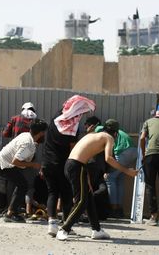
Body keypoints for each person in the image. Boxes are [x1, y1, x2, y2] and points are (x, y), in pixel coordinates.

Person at [55, 119, 138, 241]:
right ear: (115, 133)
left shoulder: (94, 135)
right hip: (77, 166)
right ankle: (64, 229)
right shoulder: (108, 138)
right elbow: (108, 158)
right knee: (82, 201)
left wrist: (87, 178)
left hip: (72, 165)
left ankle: (97, 230)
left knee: (89, 199)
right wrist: (127, 171)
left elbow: (89, 158)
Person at [42, 95, 95, 236]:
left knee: (52, 192)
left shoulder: (55, 119)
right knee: (66, 194)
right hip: (62, 164)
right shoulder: (71, 126)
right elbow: (74, 149)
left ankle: (52, 224)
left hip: (47, 163)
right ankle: (67, 225)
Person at [0, 119, 48, 223]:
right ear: (41, 133)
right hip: (4, 165)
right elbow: (16, 161)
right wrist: (34, 165)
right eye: (44, 133)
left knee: (21, 184)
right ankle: (11, 213)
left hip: (2, 162)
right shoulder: (28, 144)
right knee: (23, 185)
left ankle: (11, 211)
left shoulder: (26, 135)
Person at [2, 102, 39, 218]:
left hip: (14, 155)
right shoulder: (35, 121)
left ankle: (9, 207)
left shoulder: (14, 119)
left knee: (12, 183)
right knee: (27, 182)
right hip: (28, 156)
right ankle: (23, 208)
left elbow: (5, 134)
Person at [95, 124, 137, 218]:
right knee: (119, 180)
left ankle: (114, 209)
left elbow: (109, 154)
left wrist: (107, 170)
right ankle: (119, 209)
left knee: (110, 178)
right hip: (133, 151)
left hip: (122, 151)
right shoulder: (113, 130)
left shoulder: (100, 131)